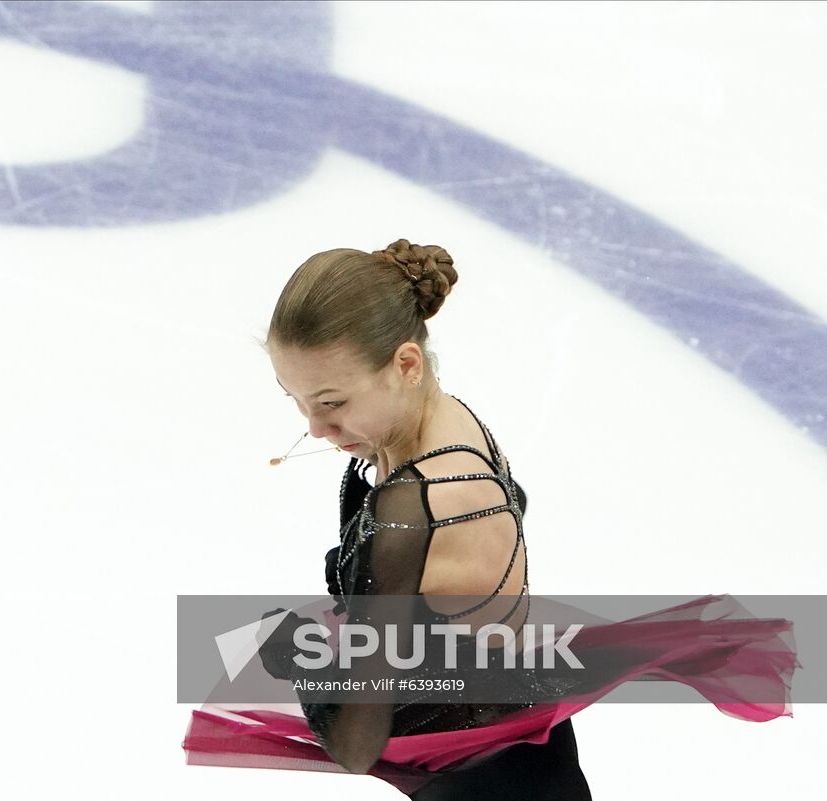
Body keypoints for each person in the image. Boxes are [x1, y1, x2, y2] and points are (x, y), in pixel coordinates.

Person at [181, 239, 795, 798]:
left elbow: (354, 746)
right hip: (524, 752)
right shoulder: (449, 421)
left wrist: (304, 661)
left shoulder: (412, 504)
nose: (315, 429)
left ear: (406, 364)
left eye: (333, 402)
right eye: (298, 401)